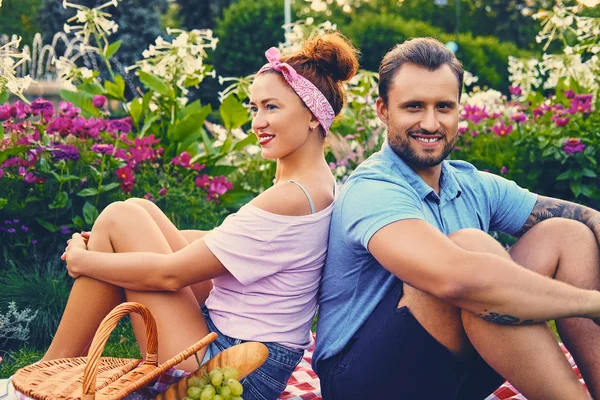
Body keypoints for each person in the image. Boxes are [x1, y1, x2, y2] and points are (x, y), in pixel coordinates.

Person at [41, 33, 358, 400]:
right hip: (249, 350)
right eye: (254, 108)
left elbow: (169, 273)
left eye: (272, 107)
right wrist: (110, 251)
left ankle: (51, 368)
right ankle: (56, 368)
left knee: (117, 219)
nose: (257, 122)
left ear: (312, 117)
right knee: (139, 212)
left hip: (234, 368)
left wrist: (85, 260)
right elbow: (222, 240)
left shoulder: (290, 196)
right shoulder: (314, 182)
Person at [313, 37, 600, 400]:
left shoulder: (470, 182)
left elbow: (586, 217)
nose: (431, 123)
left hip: (449, 373)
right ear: (383, 110)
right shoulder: (373, 189)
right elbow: (456, 281)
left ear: (459, 110)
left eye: (444, 107)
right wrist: (593, 303)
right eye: (414, 106)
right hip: (363, 381)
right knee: (470, 251)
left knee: (568, 234)